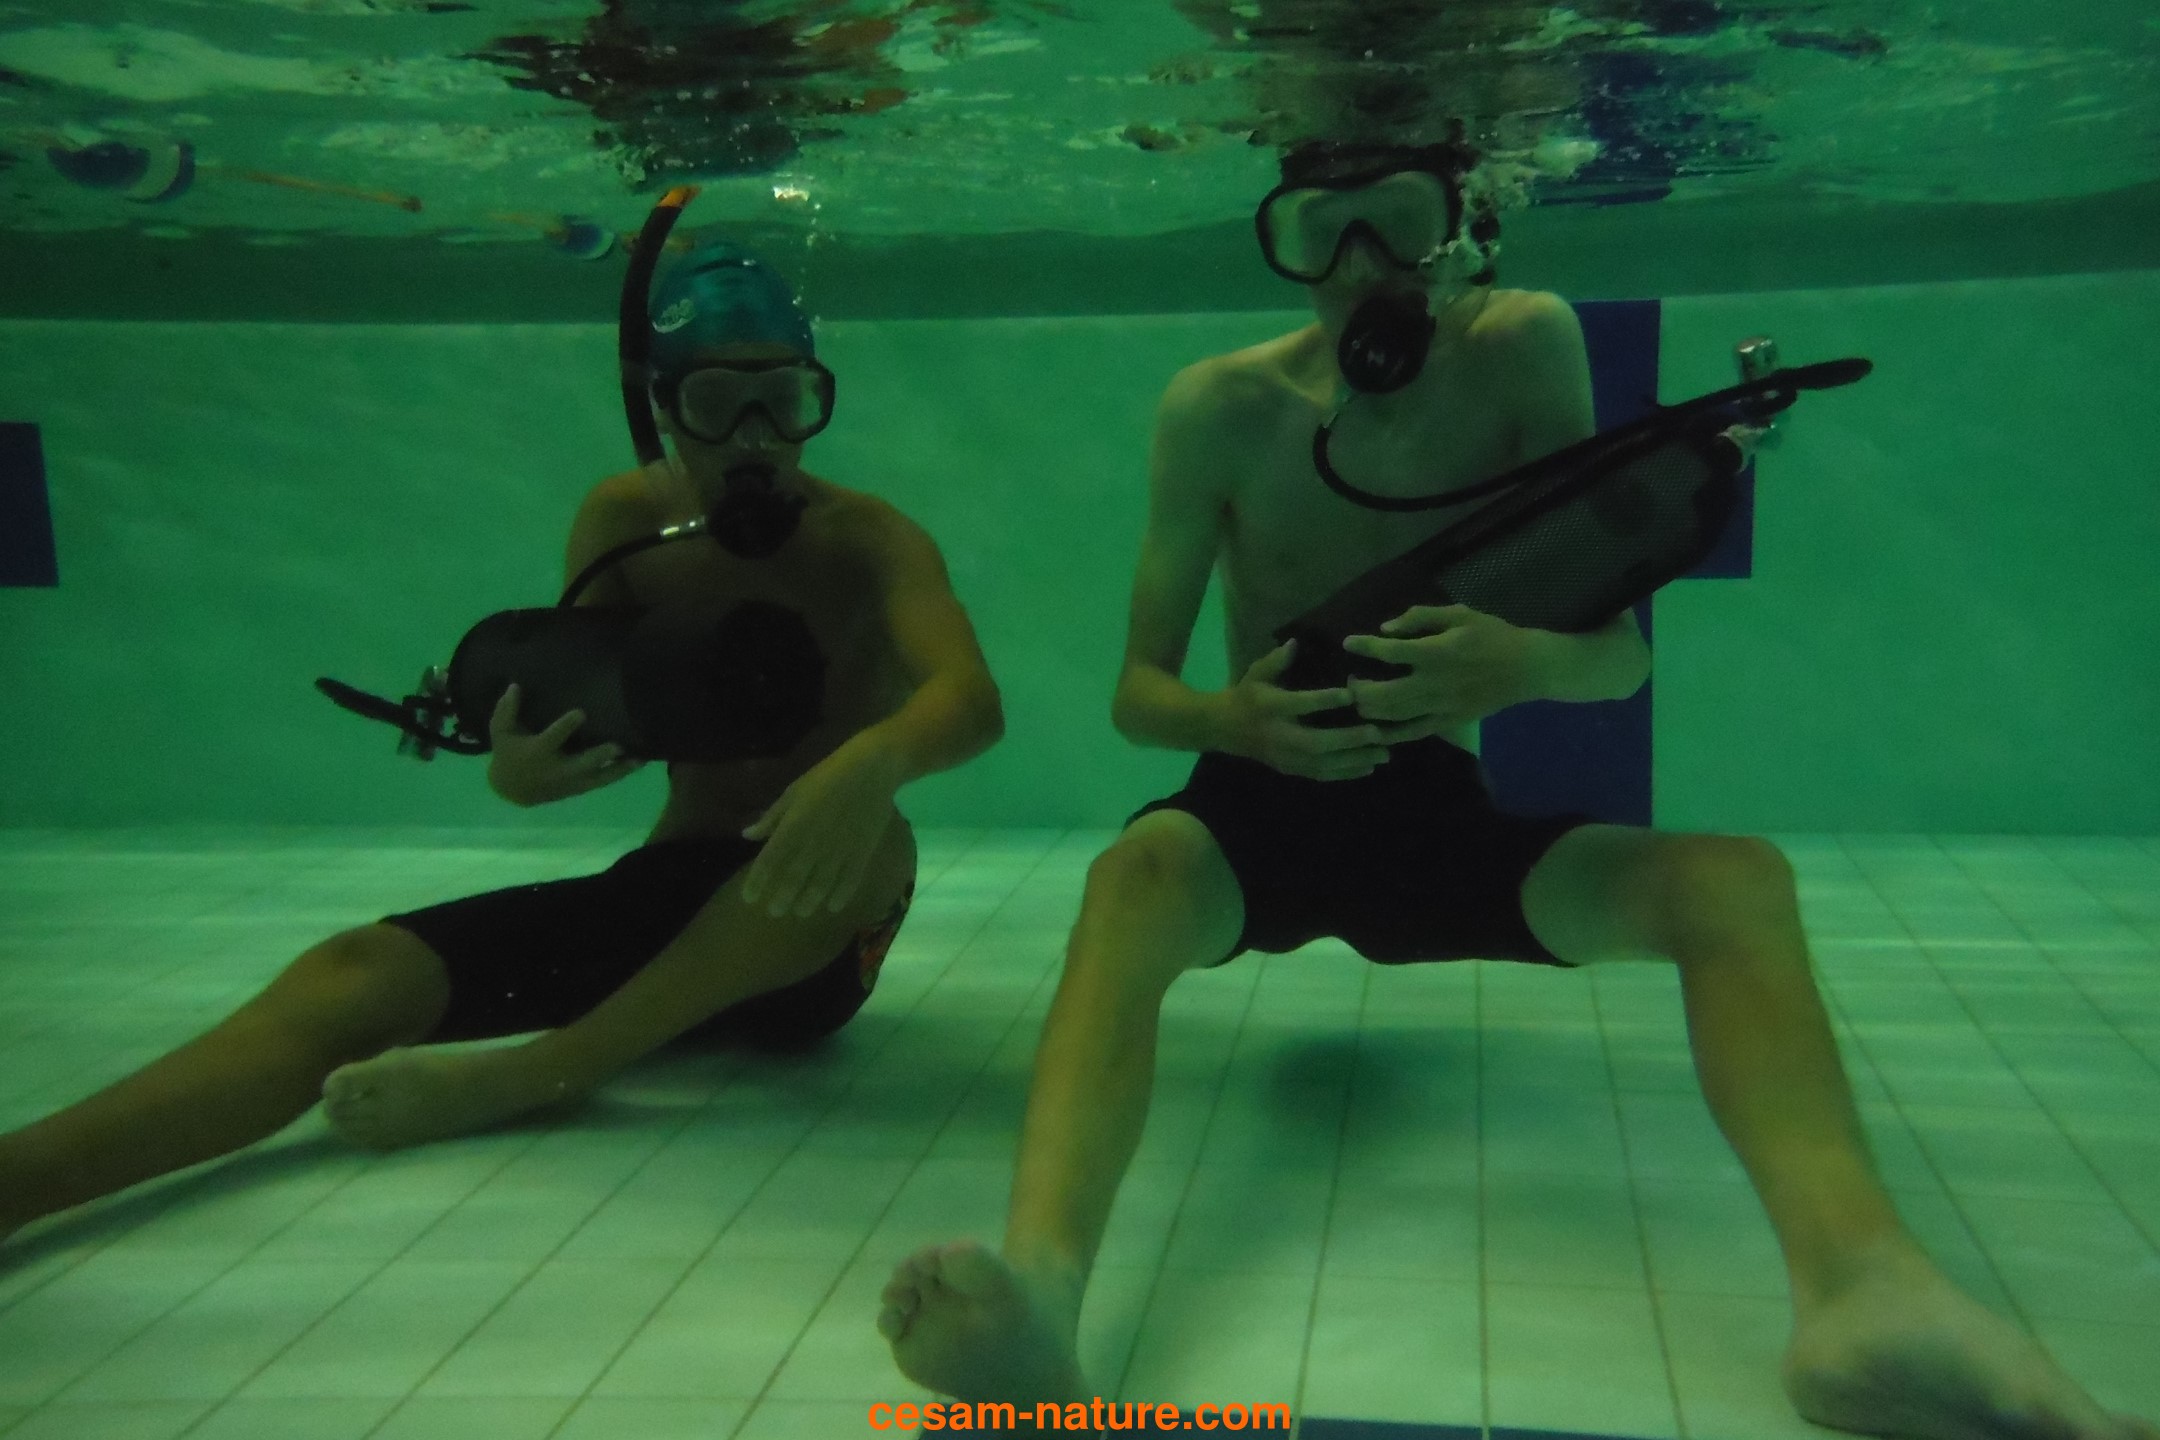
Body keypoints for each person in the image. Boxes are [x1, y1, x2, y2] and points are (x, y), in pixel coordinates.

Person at [878, 137, 2156, 1440]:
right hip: (1262, 797)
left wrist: (1524, 660)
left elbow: (1616, 657)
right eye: (1318, 231)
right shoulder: (1218, 406)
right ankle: (1043, 1292)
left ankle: (1864, 1291)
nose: (1356, 266)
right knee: (1131, 876)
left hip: (1435, 813)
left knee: (1734, 880)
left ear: (1463, 225)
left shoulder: (1523, 344)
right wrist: (1232, 719)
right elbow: (1137, 696)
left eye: (1396, 222)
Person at [0, 236, 1003, 1250]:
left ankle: (538, 1074)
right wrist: (523, 776)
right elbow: (587, 716)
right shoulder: (623, 521)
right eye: (715, 403)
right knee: (357, 971)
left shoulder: (870, 541)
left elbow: (970, 700)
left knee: (877, 838)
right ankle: (20, 1181)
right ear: (662, 410)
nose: (757, 437)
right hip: (674, 897)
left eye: (784, 400)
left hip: (810, 954)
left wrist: (874, 760)